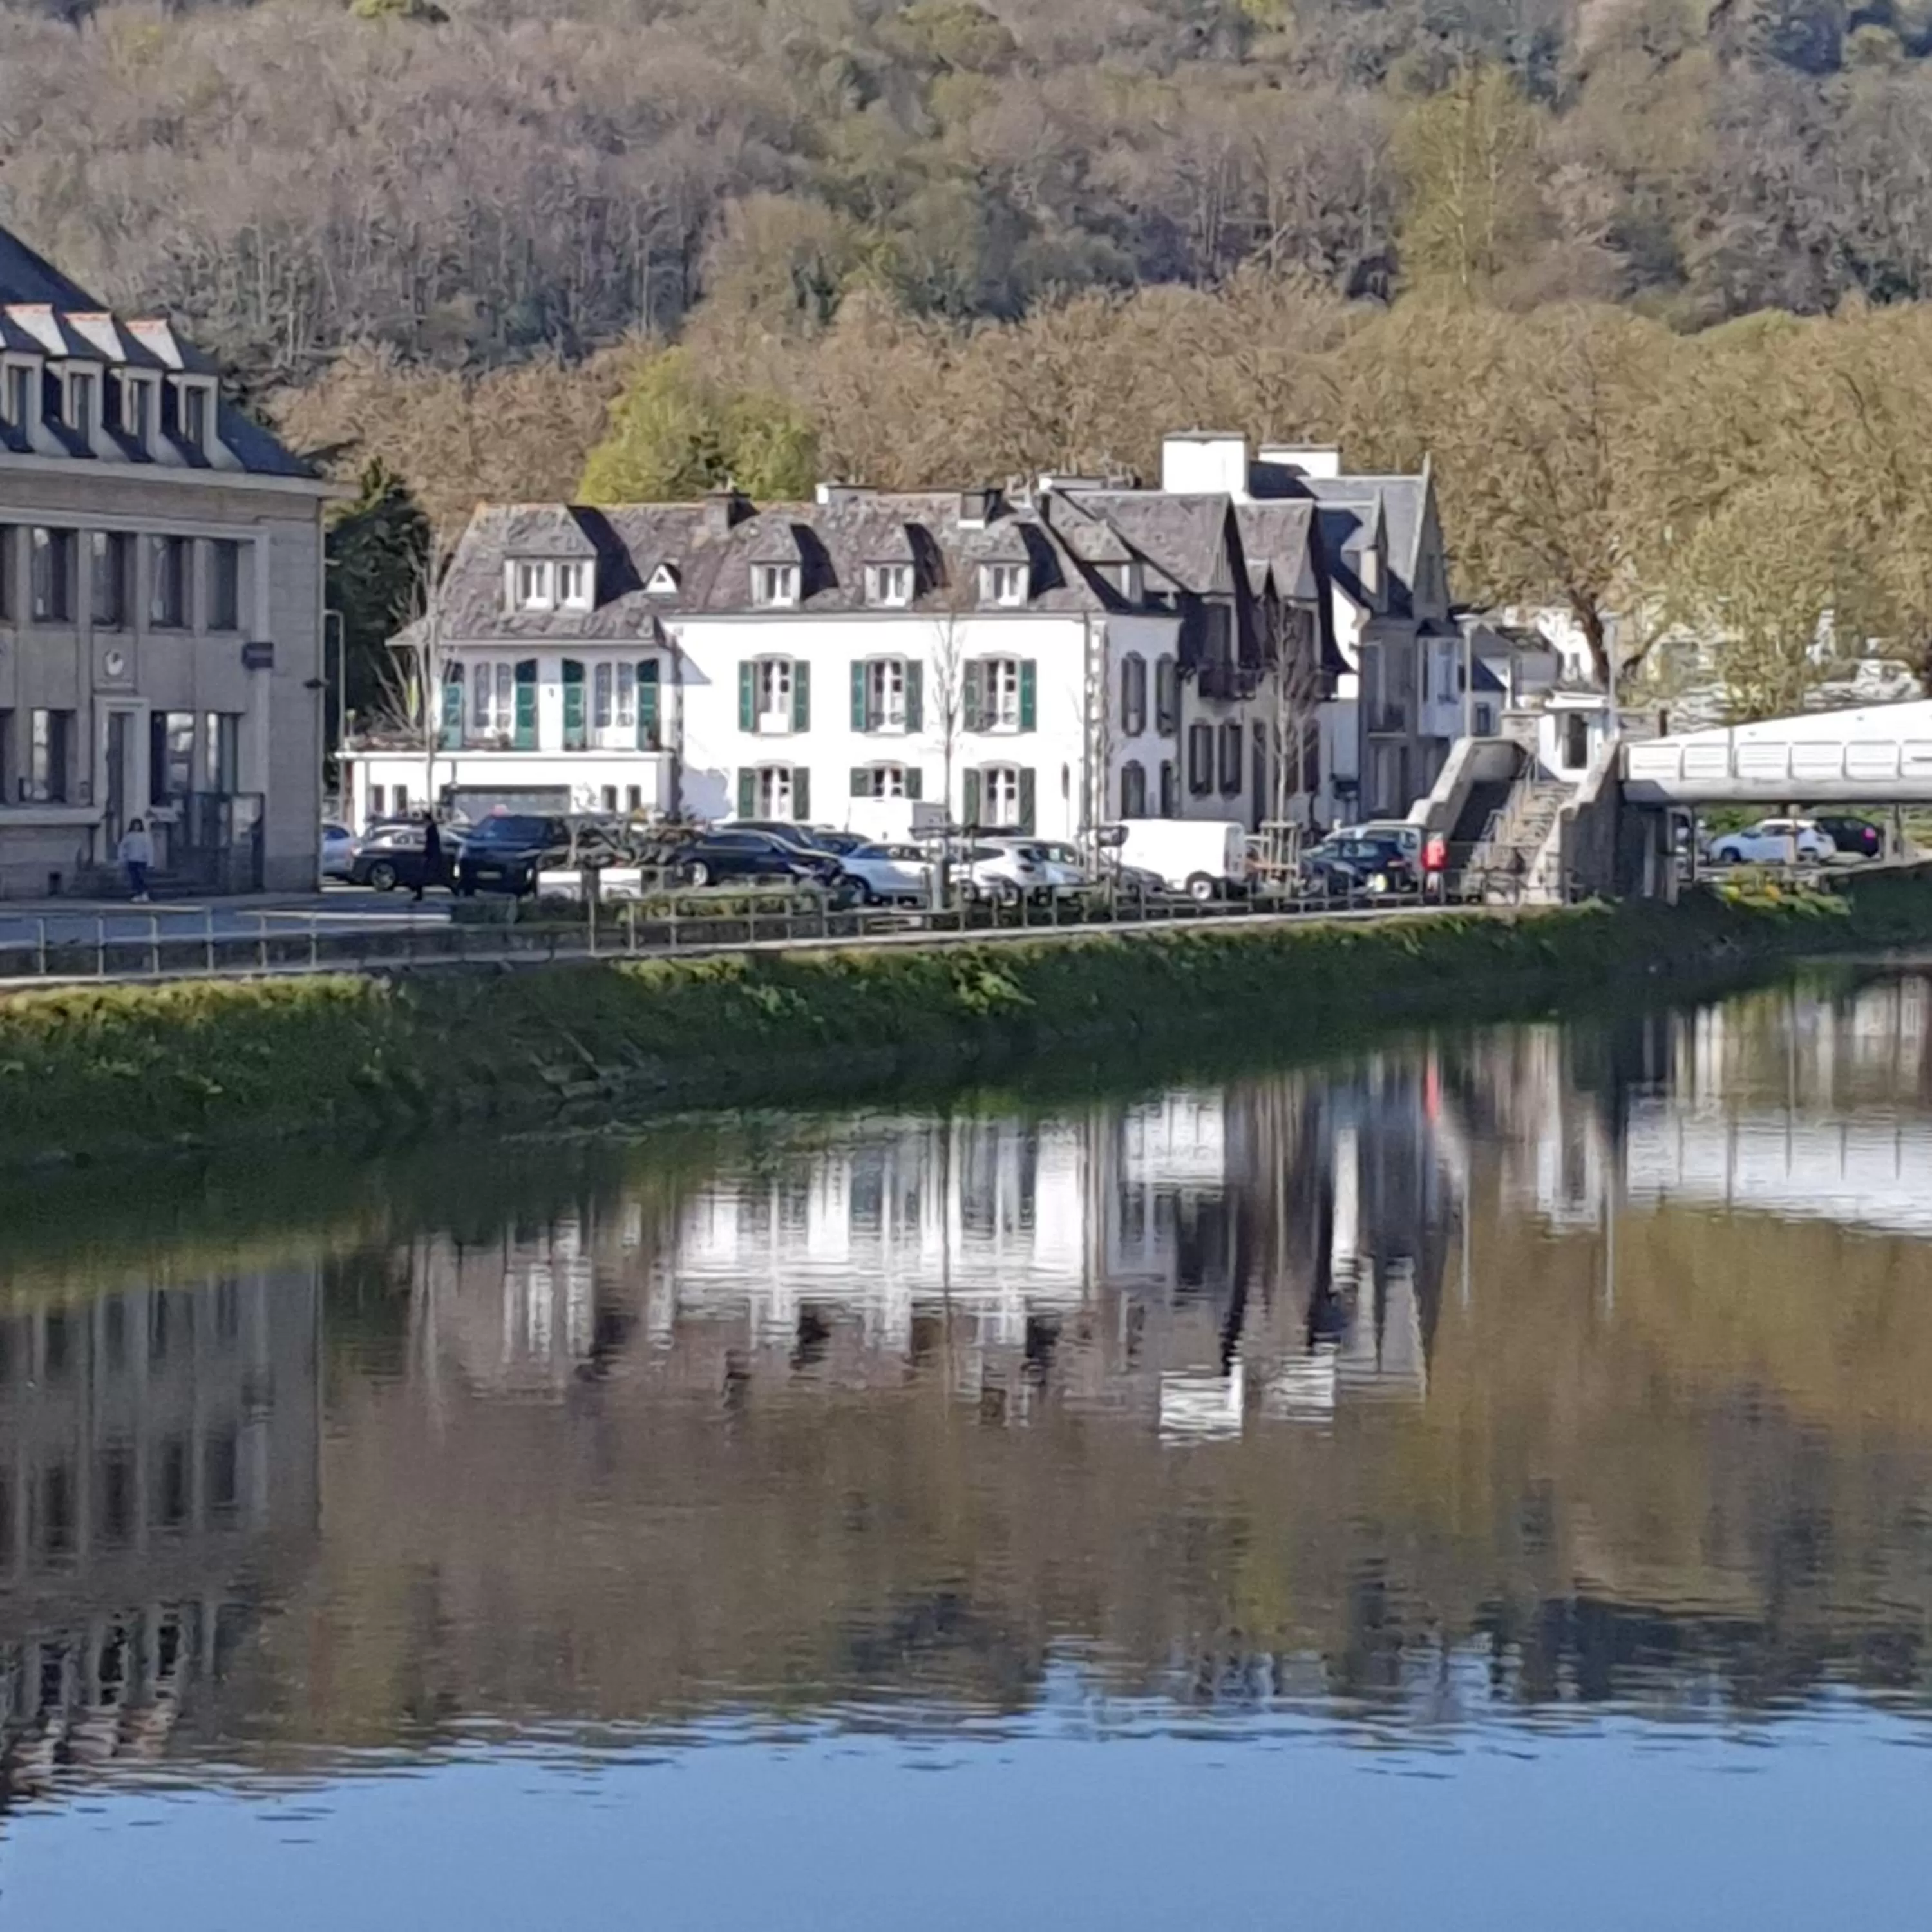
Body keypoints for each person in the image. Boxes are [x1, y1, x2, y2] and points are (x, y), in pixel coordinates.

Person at [119, 819, 154, 903]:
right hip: (131, 860)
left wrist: (150, 862)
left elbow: (149, 849)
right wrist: (122, 858)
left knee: (141, 877)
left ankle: (144, 893)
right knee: (134, 878)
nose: (136, 827)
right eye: (135, 825)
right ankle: (138, 894)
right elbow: (123, 847)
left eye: (138, 825)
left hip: (142, 860)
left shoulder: (145, 836)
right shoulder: (129, 836)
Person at [413, 811, 443, 902]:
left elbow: (430, 843)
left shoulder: (430, 829)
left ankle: (419, 894)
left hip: (432, 855)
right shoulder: (433, 828)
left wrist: (427, 853)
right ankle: (419, 894)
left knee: (423, 876)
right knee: (439, 876)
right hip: (434, 855)